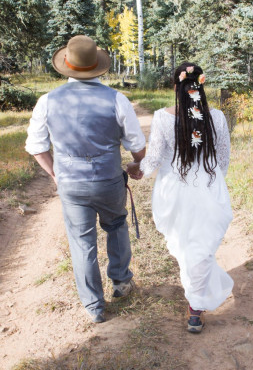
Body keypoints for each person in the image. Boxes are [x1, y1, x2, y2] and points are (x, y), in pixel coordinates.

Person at [25, 35, 146, 323]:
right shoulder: (116, 98)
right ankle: (121, 283)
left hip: (71, 183)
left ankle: (94, 306)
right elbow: (136, 144)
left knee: (81, 242)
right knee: (116, 225)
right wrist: (138, 164)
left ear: (66, 65)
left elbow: (37, 147)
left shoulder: (47, 101)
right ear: (97, 66)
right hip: (108, 180)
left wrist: (56, 174)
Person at [127, 63, 233, 333]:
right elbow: (222, 160)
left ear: (176, 87)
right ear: (201, 85)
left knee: (187, 248)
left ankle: (195, 306)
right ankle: (195, 308)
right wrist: (209, 181)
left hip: (175, 191)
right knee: (203, 249)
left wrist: (136, 170)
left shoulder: (163, 117)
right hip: (209, 187)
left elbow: (153, 160)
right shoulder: (217, 117)